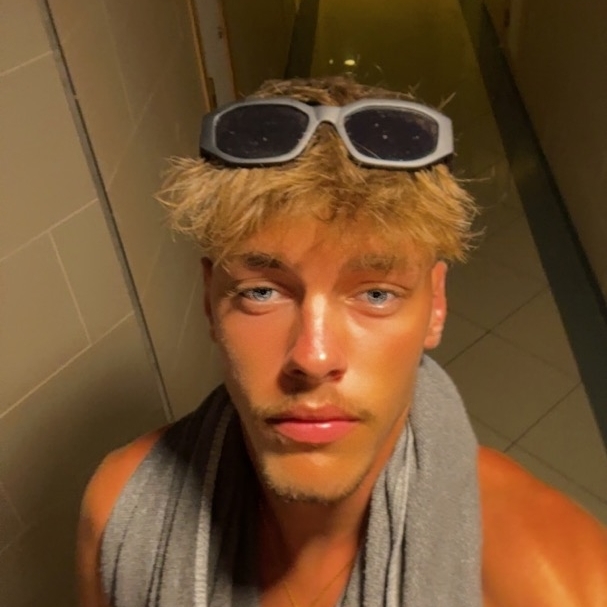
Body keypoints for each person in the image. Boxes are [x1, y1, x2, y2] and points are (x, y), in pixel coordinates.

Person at [77, 76, 607, 607]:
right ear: (210, 302)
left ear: (436, 306)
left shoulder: (561, 583)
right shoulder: (118, 514)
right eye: (261, 292)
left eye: (376, 294)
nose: (313, 357)